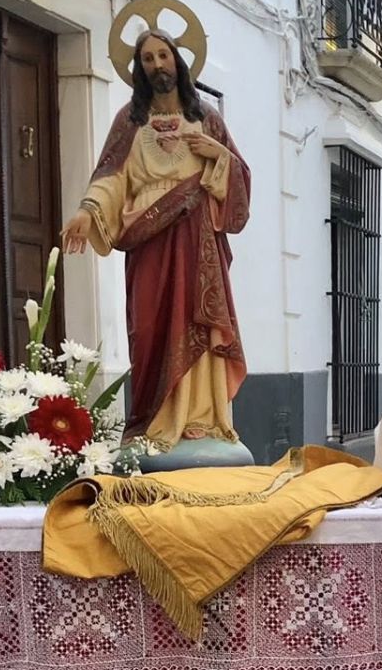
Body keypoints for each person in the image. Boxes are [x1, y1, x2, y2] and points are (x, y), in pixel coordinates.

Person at [63, 29, 252, 450]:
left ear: (177, 61)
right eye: (147, 59)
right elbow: (110, 178)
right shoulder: (129, 122)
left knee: (195, 317)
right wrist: (87, 210)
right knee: (148, 325)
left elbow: (239, 177)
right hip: (148, 235)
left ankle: (202, 416)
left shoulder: (206, 118)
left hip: (196, 234)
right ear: (139, 68)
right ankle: (154, 418)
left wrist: (215, 152)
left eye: (163, 55)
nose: (157, 66)